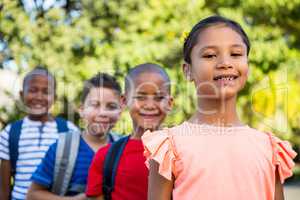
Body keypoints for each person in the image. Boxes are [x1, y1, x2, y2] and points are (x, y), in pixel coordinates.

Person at [142, 16, 297, 200]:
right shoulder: (169, 147)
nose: (225, 63)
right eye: (209, 55)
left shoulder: (269, 148)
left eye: (236, 54)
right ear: (187, 70)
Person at [26, 73, 123, 200]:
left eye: (111, 106)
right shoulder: (62, 148)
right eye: (95, 105)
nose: (103, 113)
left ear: (120, 112)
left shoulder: (124, 148)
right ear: (82, 110)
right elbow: (33, 194)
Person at [85, 63, 173, 200]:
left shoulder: (182, 152)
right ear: (124, 101)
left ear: (170, 103)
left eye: (159, 97)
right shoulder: (106, 157)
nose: (150, 105)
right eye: (141, 97)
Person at [0, 67, 78, 200]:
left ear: (55, 97)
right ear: (21, 95)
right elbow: (3, 190)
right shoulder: (10, 133)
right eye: (32, 90)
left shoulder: (69, 130)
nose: (39, 97)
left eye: (46, 92)